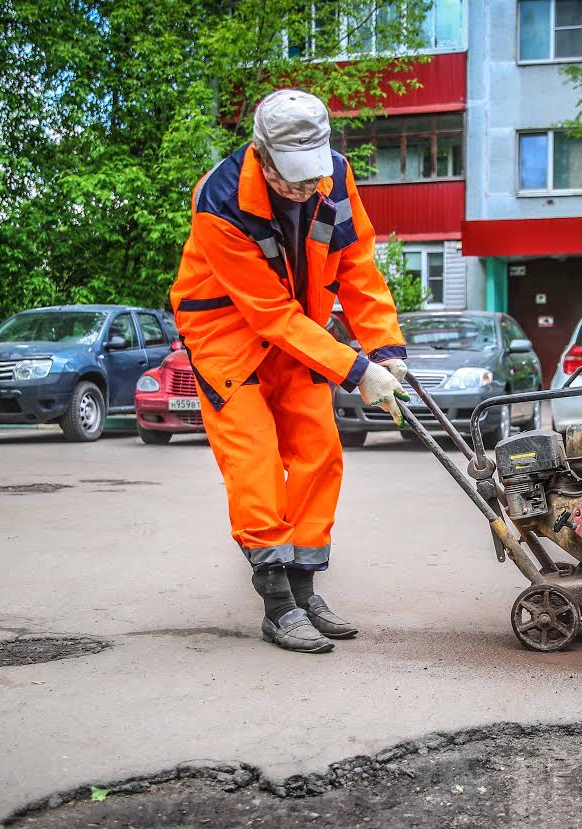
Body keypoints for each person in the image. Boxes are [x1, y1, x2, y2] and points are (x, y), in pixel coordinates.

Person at [169, 89, 410, 655]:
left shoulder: (334, 175)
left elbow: (357, 262)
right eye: (292, 180)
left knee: (319, 450)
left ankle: (302, 591)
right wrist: (355, 371)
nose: (306, 190)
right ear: (263, 155)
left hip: (296, 326)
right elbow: (268, 314)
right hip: (227, 334)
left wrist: (383, 346)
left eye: (312, 177)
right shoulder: (219, 201)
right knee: (254, 462)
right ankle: (277, 604)